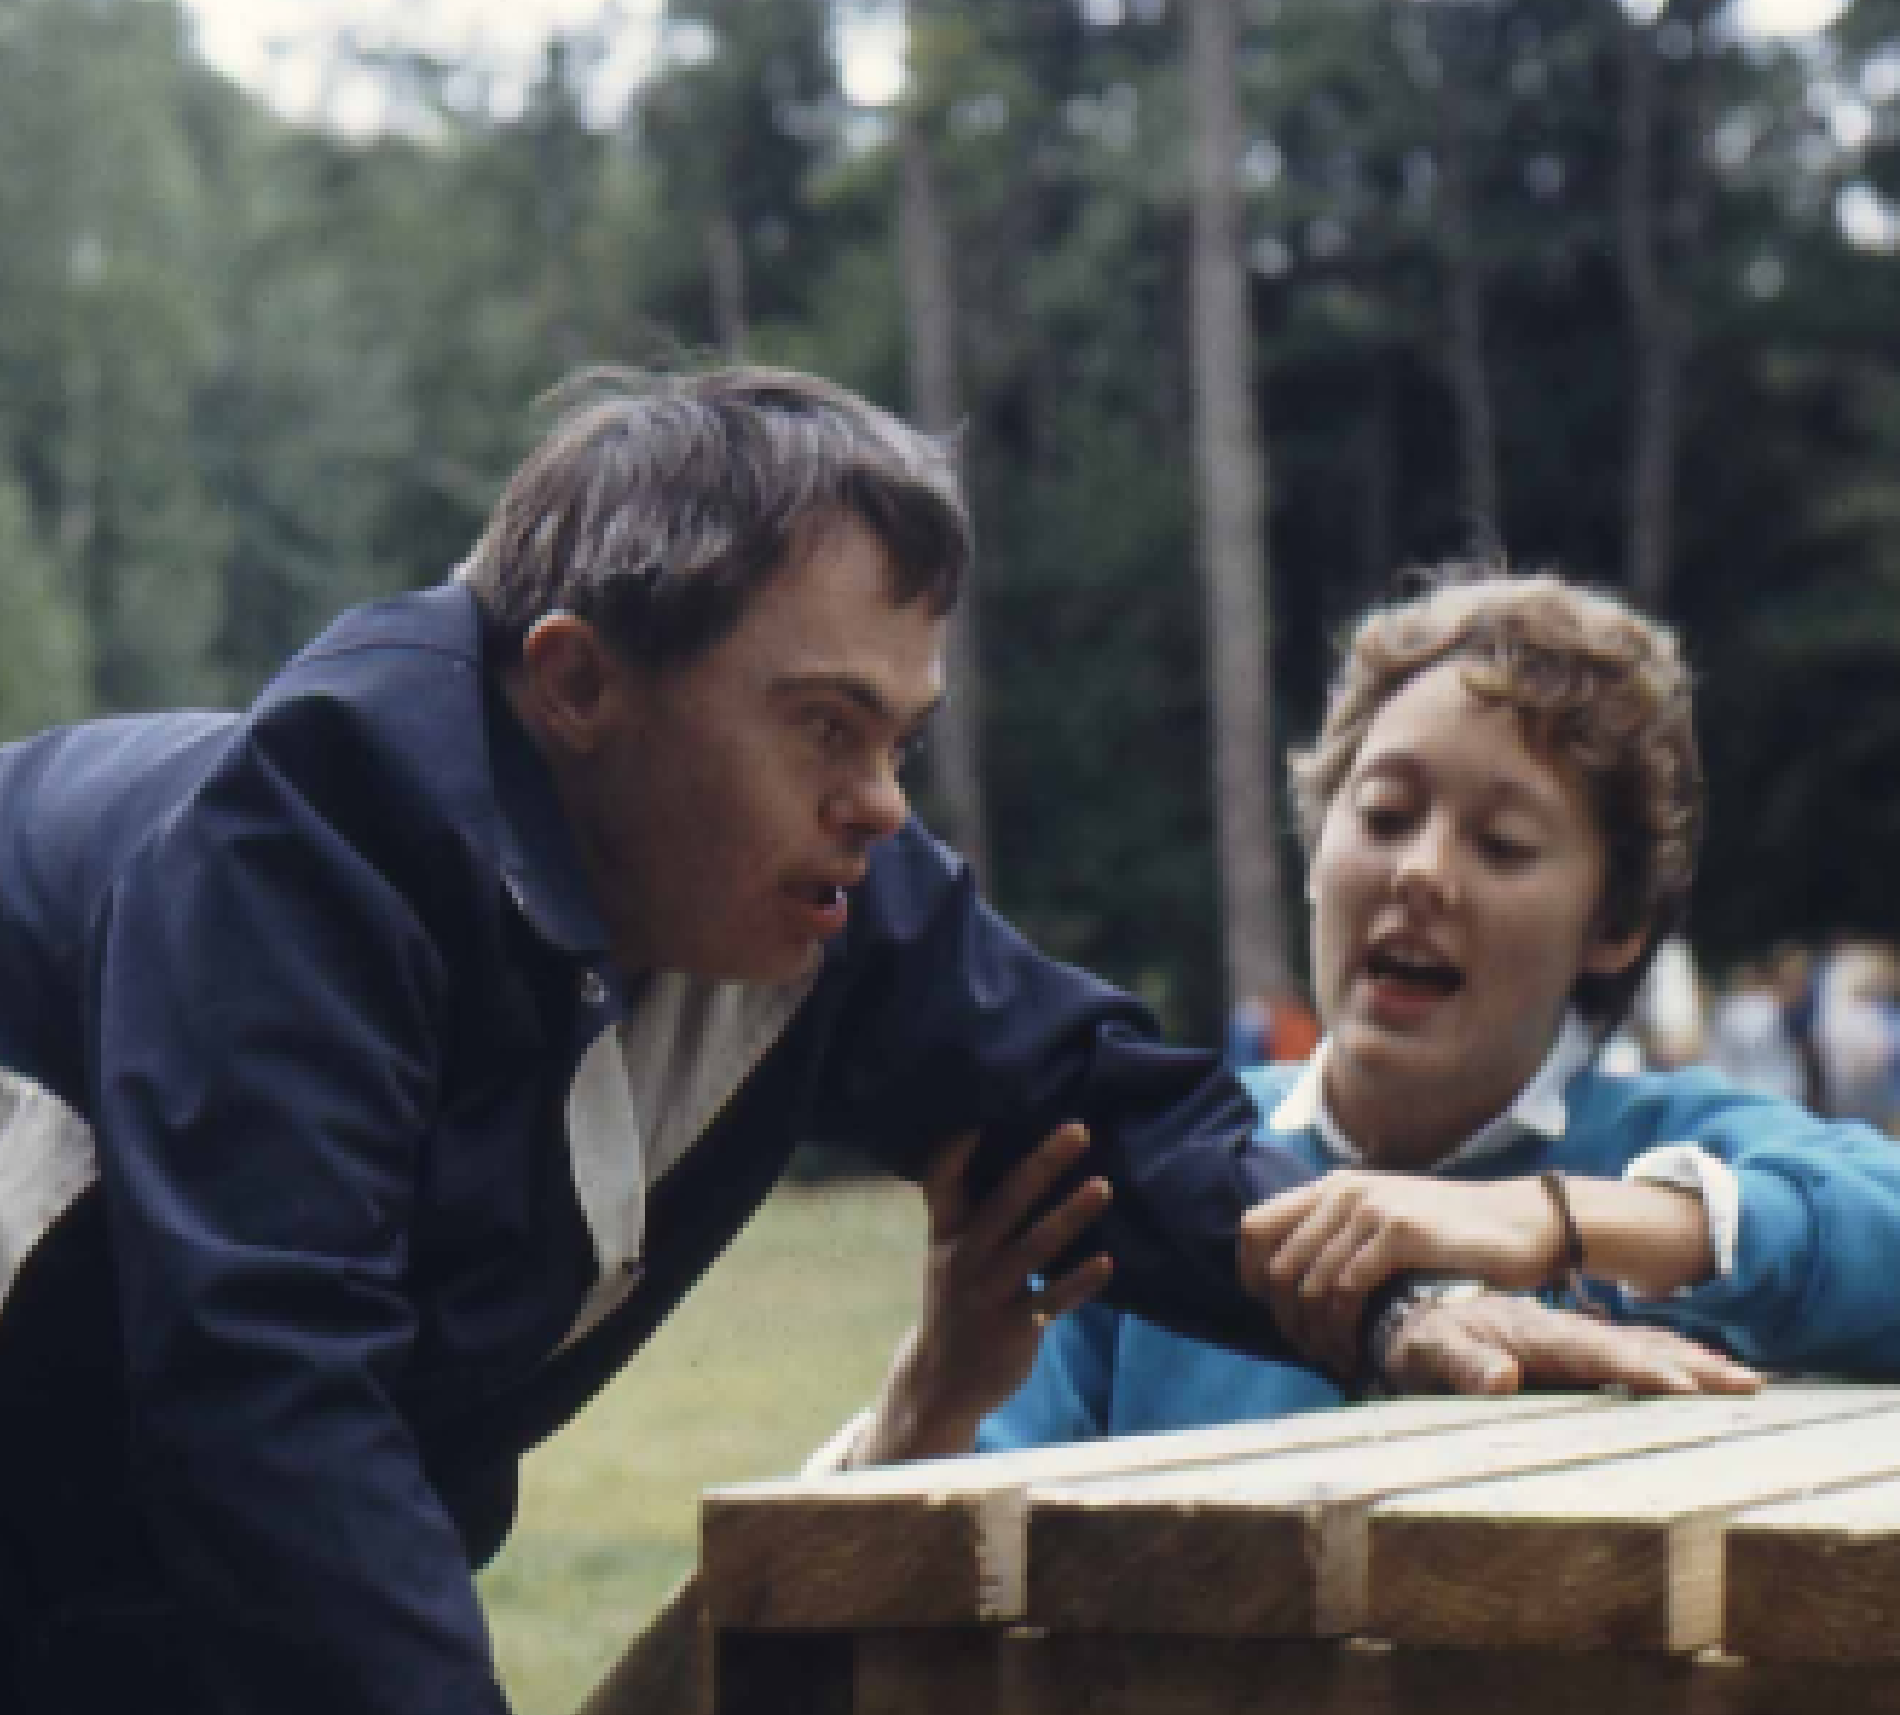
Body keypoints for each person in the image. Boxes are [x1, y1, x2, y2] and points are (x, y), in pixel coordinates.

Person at [0, 375, 1737, 1715]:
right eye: (825, 725)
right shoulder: (307, 842)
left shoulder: (816, 873)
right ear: (577, 685)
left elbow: (1092, 1109)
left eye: (902, 734)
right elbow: (272, 1398)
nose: (882, 803)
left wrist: (1396, 1304)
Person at [838, 566, 1883, 1464]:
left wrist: (1560, 1219)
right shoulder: (1158, 1178)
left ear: (1613, 921)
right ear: (1316, 845)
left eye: (1504, 843)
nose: (1422, 872)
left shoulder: (1670, 1149)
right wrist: (930, 1395)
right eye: (1383, 815)